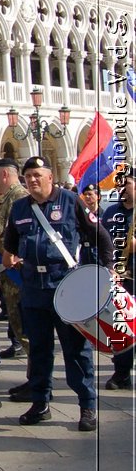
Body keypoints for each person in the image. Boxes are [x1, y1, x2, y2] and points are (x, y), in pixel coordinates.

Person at [3, 156, 114, 430]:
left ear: (50, 177)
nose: (32, 180)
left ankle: (87, 406)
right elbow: (11, 246)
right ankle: (40, 403)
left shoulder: (70, 201)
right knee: (39, 350)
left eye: (38, 175)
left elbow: (100, 235)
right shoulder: (19, 208)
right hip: (33, 291)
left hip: (66, 288)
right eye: (28, 176)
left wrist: (109, 268)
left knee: (76, 351)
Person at [0, 159, 28, 365]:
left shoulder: (19, 196)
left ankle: (37, 381)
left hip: (17, 270)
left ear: (4, 174)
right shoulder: (4, 199)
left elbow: (21, 232)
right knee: (16, 320)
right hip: (7, 270)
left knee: (24, 323)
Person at [101, 167, 135, 390]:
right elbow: (101, 240)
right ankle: (121, 373)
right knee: (122, 326)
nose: (122, 189)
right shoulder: (111, 212)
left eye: (127, 184)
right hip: (120, 278)